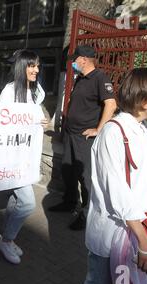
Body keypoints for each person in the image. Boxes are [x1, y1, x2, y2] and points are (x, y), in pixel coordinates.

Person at [79, 68, 147, 284]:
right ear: (143, 100)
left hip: (137, 230)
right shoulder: (113, 133)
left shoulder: (143, 128)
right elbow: (117, 192)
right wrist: (145, 243)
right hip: (114, 232)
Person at [49, 45, 117, 231]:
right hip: (71, 134)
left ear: (84, 59)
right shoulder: (81, 79)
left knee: (85, 176)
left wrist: (98, 129)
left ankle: (88, 213)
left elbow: (110, 105)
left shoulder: (99, 78)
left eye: (75, 59)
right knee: (67, 170)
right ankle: (70, 202)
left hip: (84, 138)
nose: (73, 62)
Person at [0, 49, 48, 264]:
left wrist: (41, 121)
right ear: (21, 67)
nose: (36, 69)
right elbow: (2, 123)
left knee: (16, 199)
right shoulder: (9, 91)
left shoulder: (36, 91)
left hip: (28, 156)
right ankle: (7, 240)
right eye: (31, 65)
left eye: (37, 65)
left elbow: (38, 115)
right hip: (12, 157)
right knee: (27, 203)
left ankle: (4, 238)